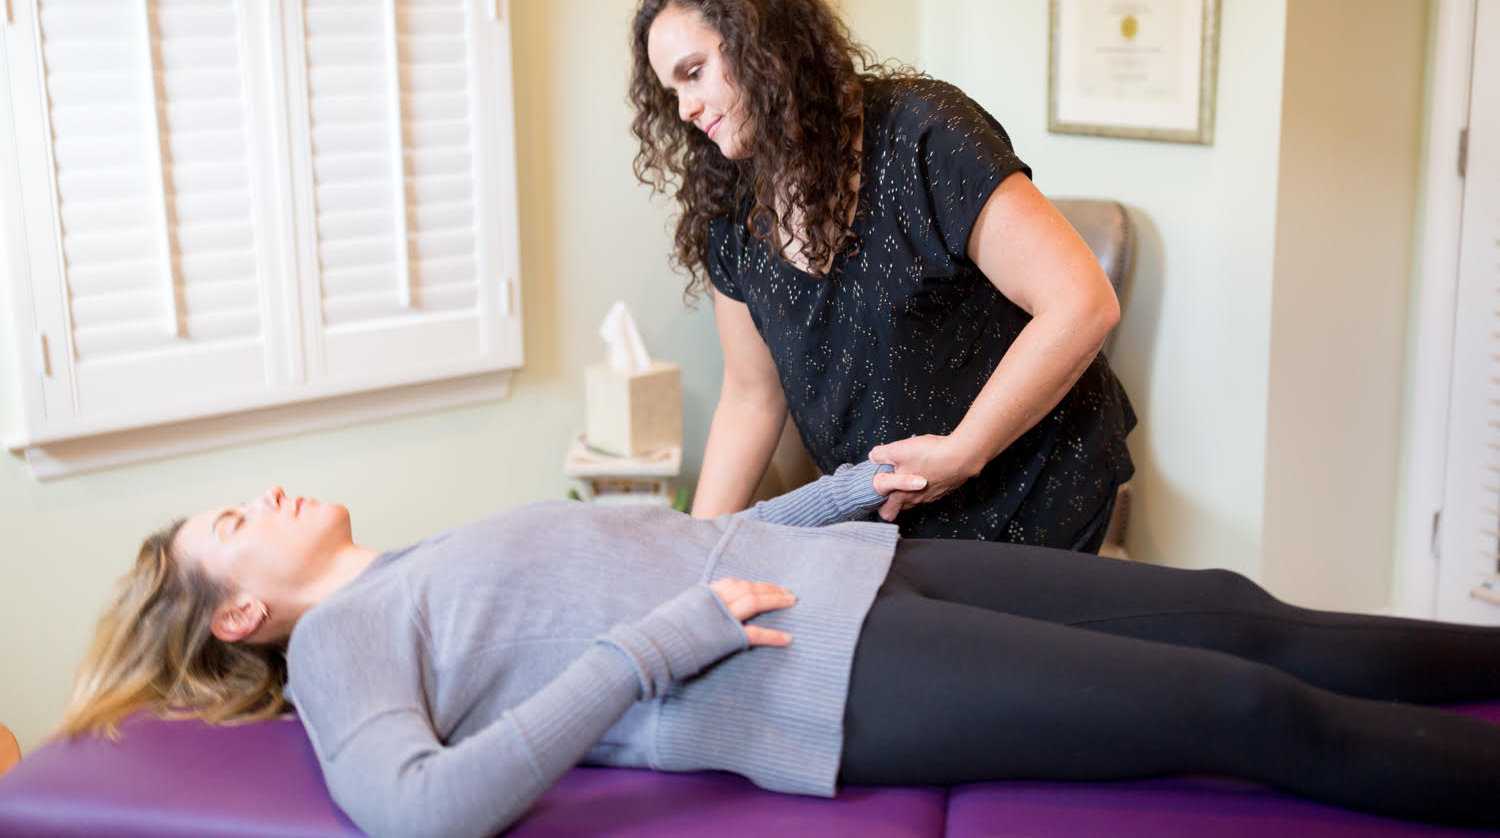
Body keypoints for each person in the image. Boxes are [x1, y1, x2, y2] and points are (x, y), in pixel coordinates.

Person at [61, 465, 1500, 838]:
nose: (270, 498)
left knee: (1240, 608)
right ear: (238, 615)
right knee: (1241, 705)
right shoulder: (339, 656)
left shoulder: (421, 558)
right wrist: (654, 650)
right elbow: (421, 811)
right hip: (812, 670)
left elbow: (692, 542)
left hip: (853, 564)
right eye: (236, 524)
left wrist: (832, 491)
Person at [629, 0, 1137, 550]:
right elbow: (750, 398)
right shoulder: (730, 210)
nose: (685, 109)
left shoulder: (922, 133)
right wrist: (696, 551)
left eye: (694, 73)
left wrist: (964, 452)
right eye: (672, 91)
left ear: (759, 42)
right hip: (897, 514)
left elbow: (1082, 304)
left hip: (1035, 482)